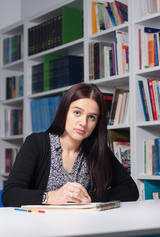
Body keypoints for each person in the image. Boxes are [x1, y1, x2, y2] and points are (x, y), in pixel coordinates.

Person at [2, 83, 139, 207]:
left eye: (91, 117)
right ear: (64, 111)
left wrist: (91, 198)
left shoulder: (97, 150)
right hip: (40, 227)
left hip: (84, 228)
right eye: (77, 113)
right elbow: (10, 195)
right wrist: (51, 196)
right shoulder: (37, 144)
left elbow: (131, 189)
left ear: (97, 123)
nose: (83, 123)